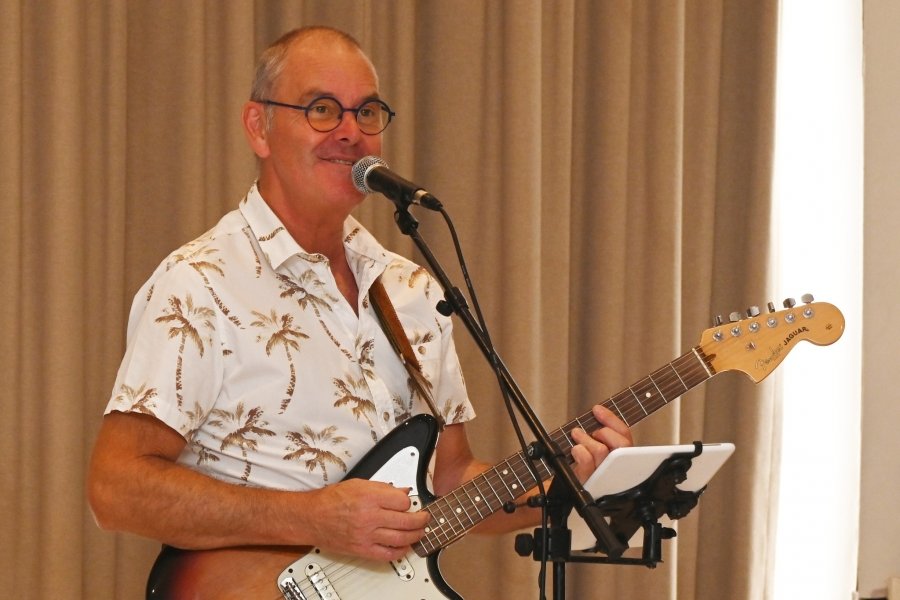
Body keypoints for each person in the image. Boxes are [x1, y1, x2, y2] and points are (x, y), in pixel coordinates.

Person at [87, 25, 633, 589]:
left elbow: (449, 481)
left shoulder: (414, 292)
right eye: (322, 109)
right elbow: (116, 490)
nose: (350, 132)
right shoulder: (200, 283)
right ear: (259, 127)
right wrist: (311, 516)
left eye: (367, 113)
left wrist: (563, 487)